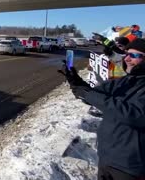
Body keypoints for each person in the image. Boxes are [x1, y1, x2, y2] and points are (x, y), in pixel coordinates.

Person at [61, 38, 145, 179]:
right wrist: (76, 82)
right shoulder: (125, 80)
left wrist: (90, 95)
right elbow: (96, 96)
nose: (127, 59)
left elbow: (133, 115)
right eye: (127, 54)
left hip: (129, 166)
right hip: (106, 157)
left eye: (135, 55)